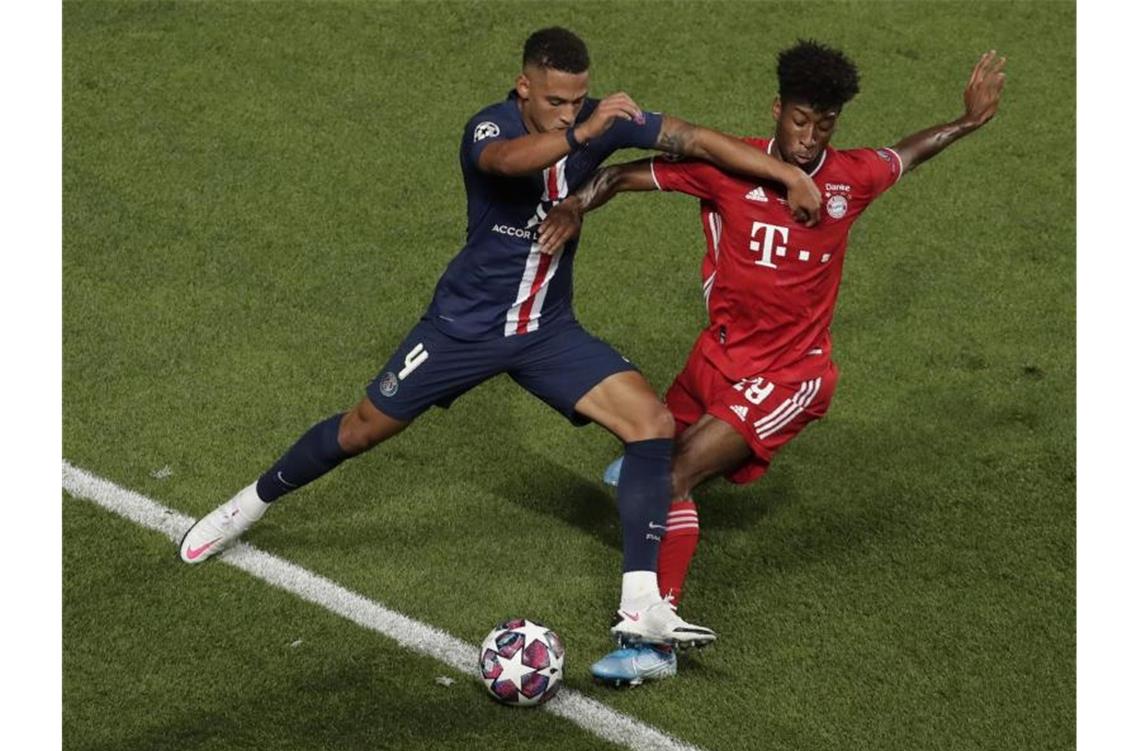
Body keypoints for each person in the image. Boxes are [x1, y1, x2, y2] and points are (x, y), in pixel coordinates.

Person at [179, 27, 822, 651]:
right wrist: (584, 133)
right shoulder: (491, 127)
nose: (568, 111)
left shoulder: (594, 119)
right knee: (359, 429)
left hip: (547, 333)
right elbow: (505, 163)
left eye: (578, 99)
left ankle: (641, 605)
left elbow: (698, 140)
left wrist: (786, 175)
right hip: (463, 328)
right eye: (554, 101)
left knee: (651, 423)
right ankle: (247, 505)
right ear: (523, 88)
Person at [537, 40, 1006, 685]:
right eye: (800, 120)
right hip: (716, 357)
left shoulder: (849, 180)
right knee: (641, 458)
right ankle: (657, 497)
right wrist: (572, 204)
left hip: (789, 375)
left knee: (669, 476)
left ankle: (654, 642)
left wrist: (966, 122)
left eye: (826, 125)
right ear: (777, 108)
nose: (811, 138)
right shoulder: (729, 166)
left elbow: (907, 153)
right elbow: (620, 175)